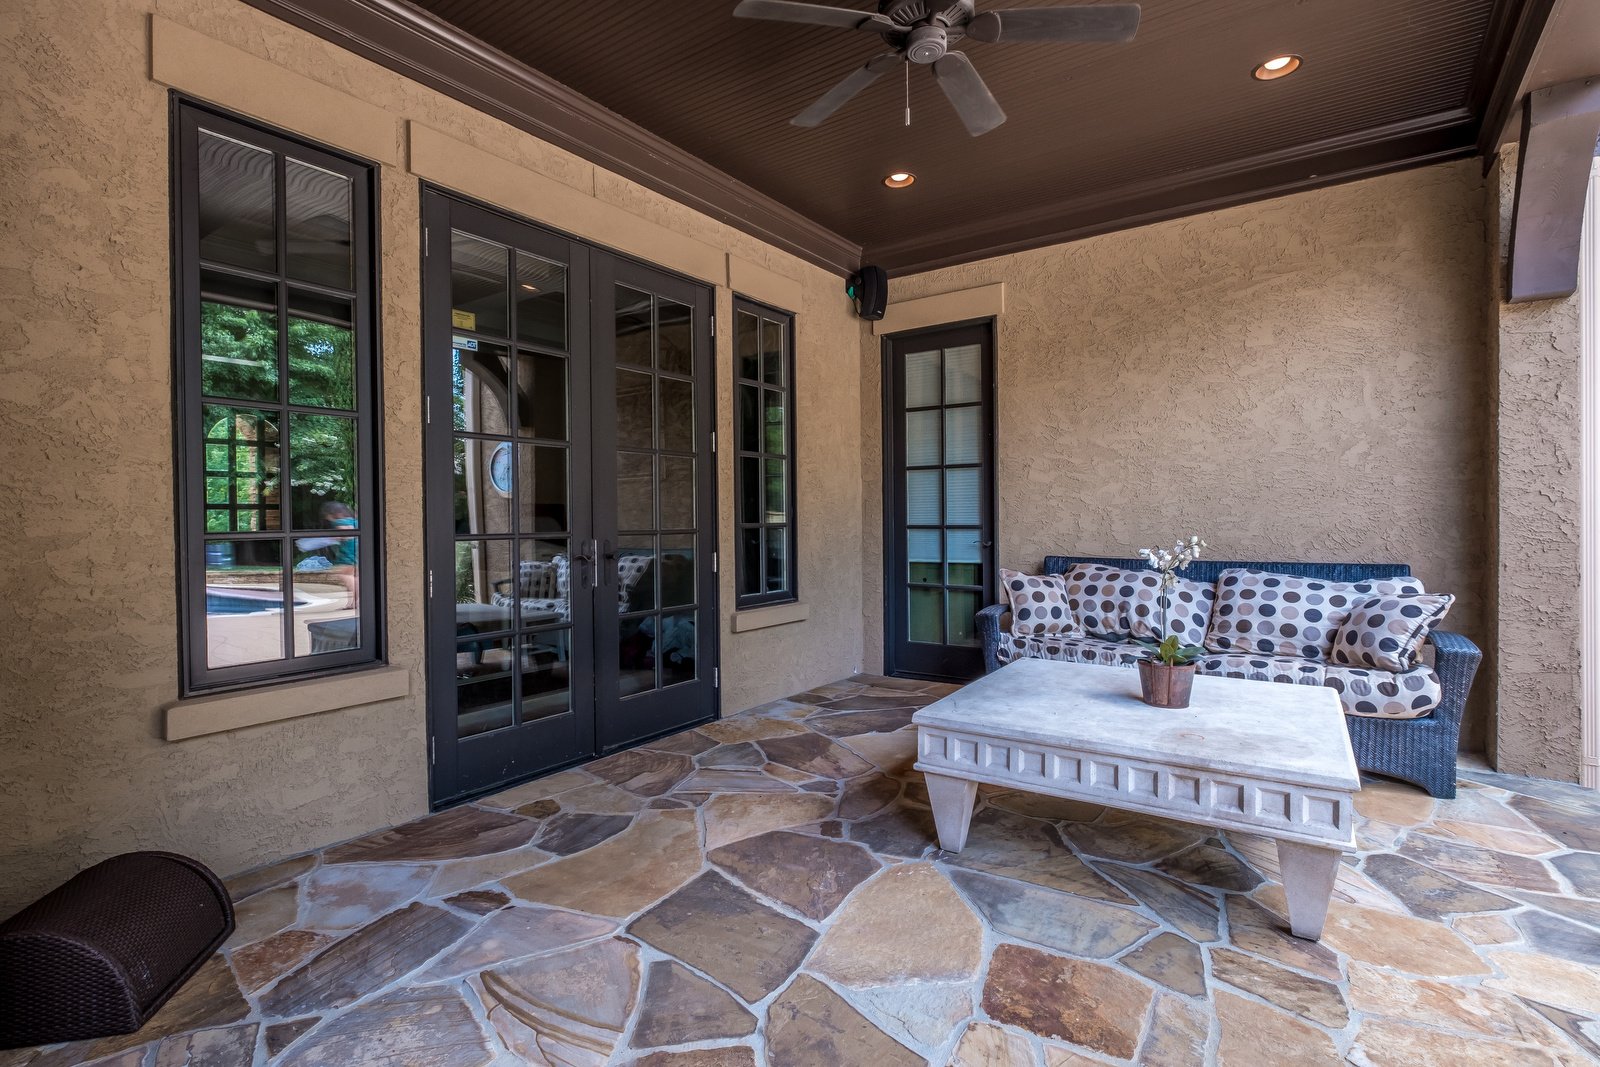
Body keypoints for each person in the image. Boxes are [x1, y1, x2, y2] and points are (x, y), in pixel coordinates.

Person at [321, 501, 359, 608]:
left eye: (327, 515)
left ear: (333, 514)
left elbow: (344, 534)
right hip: (356, 552)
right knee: (354, 576)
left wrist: (331, 539)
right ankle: (352, 603)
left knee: (345, 575)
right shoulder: (354, 521)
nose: (327, 518)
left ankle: (356, 601)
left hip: (347, 554)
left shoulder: (338, 522)